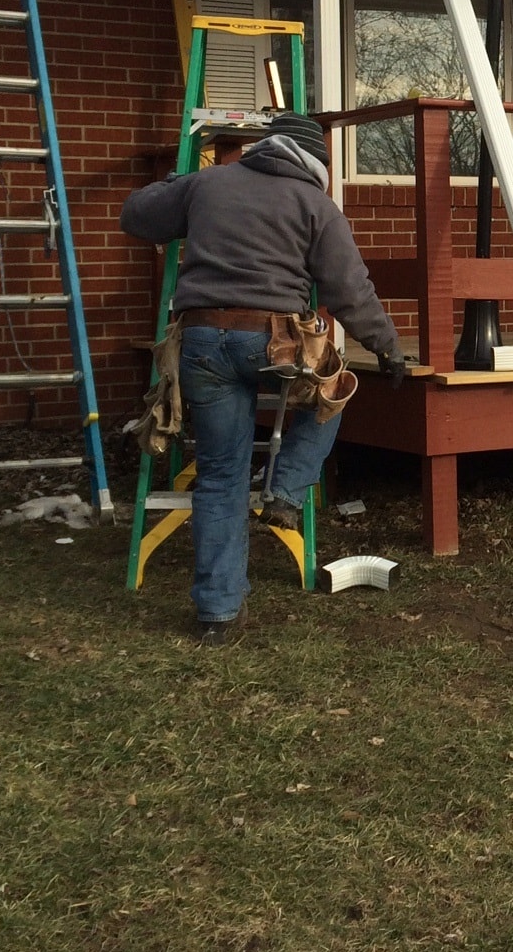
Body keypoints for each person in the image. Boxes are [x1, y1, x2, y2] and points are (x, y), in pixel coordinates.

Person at [121, 111, 406, 641]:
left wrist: (173, 183)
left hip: (201, 341)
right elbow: (350, 290)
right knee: (334, 391)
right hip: (275, 343)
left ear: (264, 148)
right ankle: (286, 491)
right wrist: (388, 350)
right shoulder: (316, 206)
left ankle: (219, 616)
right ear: (315, 164)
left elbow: (137, 217)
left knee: (220, 477)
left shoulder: (206, 183)